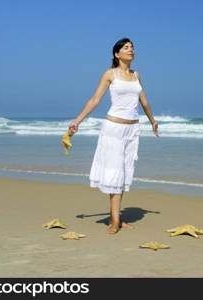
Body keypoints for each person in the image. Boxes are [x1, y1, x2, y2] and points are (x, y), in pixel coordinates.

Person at [68, 38, 159, 234]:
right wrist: (77, 121)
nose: (131, 50)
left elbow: (144, 100)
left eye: (132, 47)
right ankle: (115, 221)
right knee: (115, 173)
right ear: (117, 54)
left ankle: (115, 216)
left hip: (132, 130)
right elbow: (94, 100)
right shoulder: (110, 74)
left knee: (124, 172)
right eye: (126, 47)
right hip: (114, 129)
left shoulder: (136, 75)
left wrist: (152, 121)